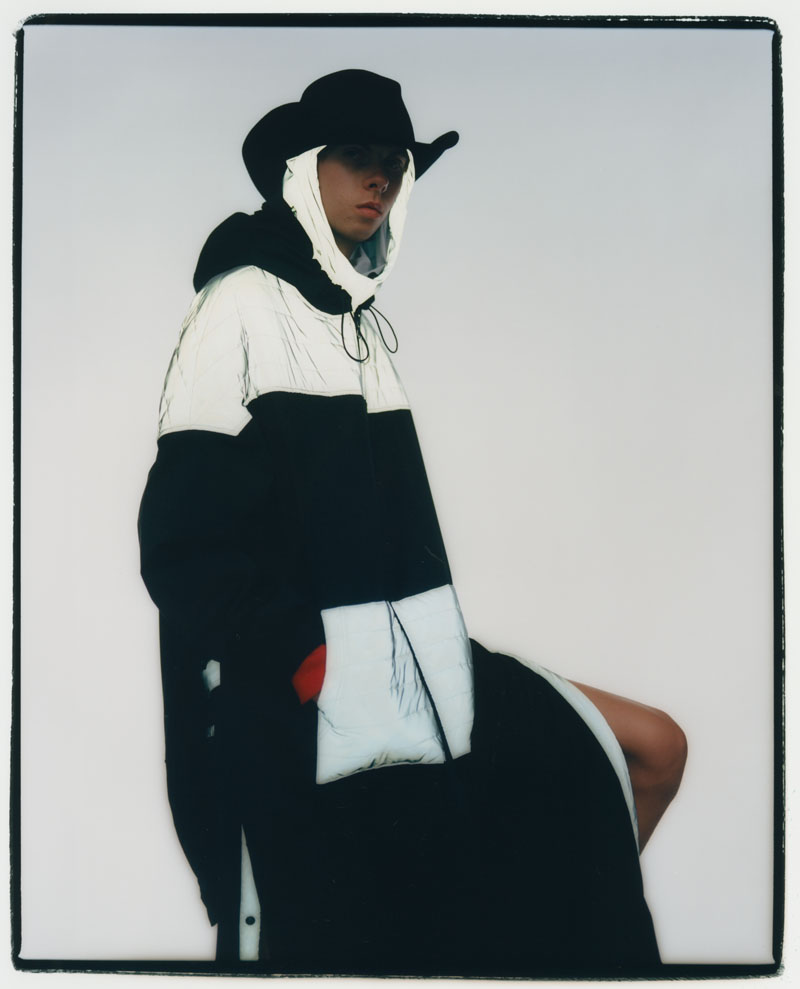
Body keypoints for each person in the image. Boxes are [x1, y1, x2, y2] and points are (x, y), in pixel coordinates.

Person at [138, 69, 685, 976]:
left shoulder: (357, 321)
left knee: (645, 749)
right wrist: (305, 657)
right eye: (356, 157)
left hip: (418, 676)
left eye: (394, 162)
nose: (380, 178)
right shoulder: (239, 306)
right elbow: (183, 546)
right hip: (308, 695)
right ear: (302, 171)